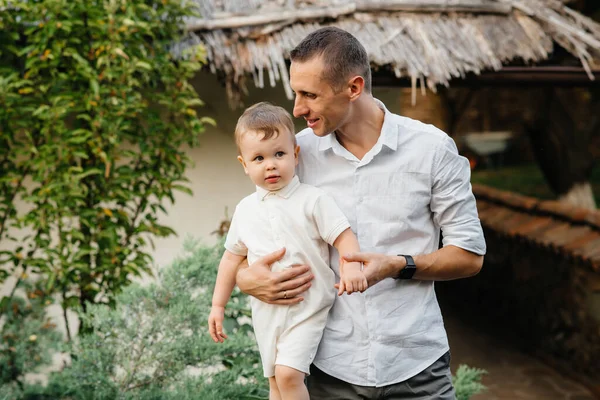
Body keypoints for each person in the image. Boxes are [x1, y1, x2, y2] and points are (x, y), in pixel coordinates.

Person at [236, 27, 486, 399]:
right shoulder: (290, 154)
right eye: (295, 93)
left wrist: (398, 265)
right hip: (329, 368)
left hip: (417, 367)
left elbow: (469, 256)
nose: (297, 109)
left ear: (353, 88)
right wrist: (246, 280)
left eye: (309, 95)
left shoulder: (432, 150)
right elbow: (250, 239)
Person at [207, 102, 367, 400]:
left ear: (295, 154)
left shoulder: (312, 200)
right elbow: (231, 258)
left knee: (289, 374)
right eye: (259, 158)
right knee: (275, 385)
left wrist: (352, 266)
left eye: (279, 154)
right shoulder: (245, 210)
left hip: (307, 307)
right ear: (244, 165)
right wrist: (218, 306)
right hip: (266, 312)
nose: (270, 164)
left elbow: (343, 236)